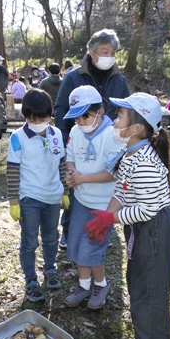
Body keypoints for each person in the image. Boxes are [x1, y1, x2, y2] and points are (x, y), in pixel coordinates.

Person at [83, 93, 170, 339]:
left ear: (136, 128)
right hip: (144, 227)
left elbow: (148, 209)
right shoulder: (131, 153)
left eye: (120, 117)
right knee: (139, 280)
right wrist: (106, 215)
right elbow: (123, 193)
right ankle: (148, 338)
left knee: (148, 286)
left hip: (155, 229)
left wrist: (110, 220)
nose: (114, 121)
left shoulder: (146, 162)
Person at [53, 28, 130, 249]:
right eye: (105, 50)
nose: (109, 56)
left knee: (107, 184)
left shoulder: (119, 79)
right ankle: (68, 231)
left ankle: (103, 227)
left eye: (113, 51)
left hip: (109, 140)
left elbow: (125, 109)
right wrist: (66, 141)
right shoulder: (74, 76)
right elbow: (61, 109)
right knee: (75, 184)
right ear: (91, 52)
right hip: (78, 139)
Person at [61, 86, 124, 309]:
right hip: (82, 200)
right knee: (77, 245)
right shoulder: (77, 131)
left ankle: (101, 284)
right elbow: (71, 157)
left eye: (85, 116)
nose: (80, 122)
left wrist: (82, 178)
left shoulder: (112, 135)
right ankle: (84, 285)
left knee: (93, 247)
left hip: (105, 205)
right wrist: (71, 174)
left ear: (101, 111)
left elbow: (114, 172)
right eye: (76, 118)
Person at [6, 89, 69, 302]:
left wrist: (65, 191)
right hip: (30, 198)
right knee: (30, 241)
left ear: (50, 115)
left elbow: (61, 164)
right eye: (33, 118)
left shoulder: (56, 134)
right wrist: (14, 201)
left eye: (43, 118)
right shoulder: (17, 138)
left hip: (53, 197)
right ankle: (31, 280)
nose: (38, 122)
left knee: (51, 237)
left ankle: (50, 270)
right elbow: (12, 170)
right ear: (24, 115)